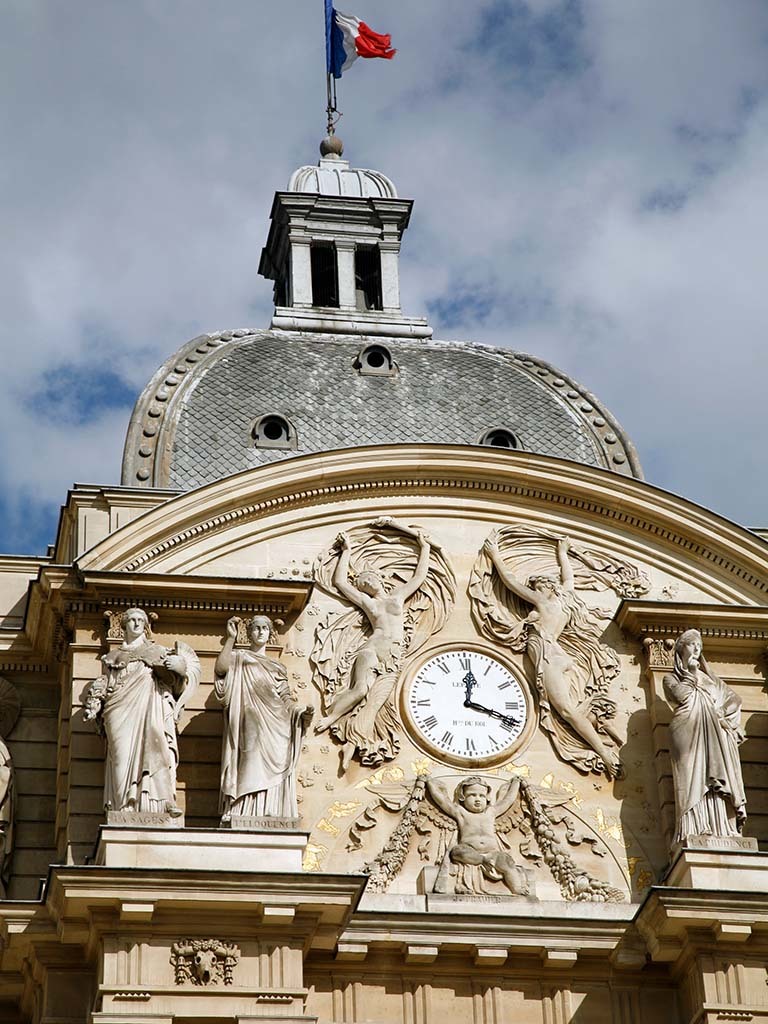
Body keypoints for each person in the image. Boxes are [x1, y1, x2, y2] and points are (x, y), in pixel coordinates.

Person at [485, 535, 622, 778]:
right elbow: (568, 577)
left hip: (548, 654)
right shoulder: (566, 598)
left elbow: (511, 583)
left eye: (537, 587)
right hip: (561, 656)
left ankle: (604, 752)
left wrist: (495, 555)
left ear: (546, 588)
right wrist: (563, 552)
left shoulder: (543, 602)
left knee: (567, 711)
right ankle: (600, 728)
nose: (533, 592)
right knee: (570, 708)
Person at [315, 522, 431, 769]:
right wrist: (346, 551)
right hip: (372, 648)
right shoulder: (370, 605)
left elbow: (419, 576)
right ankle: (333, 718)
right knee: (360, 691)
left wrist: (424, 548)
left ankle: (355, 742)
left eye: (371, 579)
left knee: (376, 701)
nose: (369, 583)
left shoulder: (398, 596)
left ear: (380, 579)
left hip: (393, 655)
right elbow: (341, 583)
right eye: (364, 583)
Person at [84, 607, 198, 816]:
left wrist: (179, 669)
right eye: (132, 620)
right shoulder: (112, 657)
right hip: (118, 711)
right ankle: (122, 807)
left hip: (150, 709)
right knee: (121, 758)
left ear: (146, 626)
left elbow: (176, 686)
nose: (136, 624)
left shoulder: (157, 652)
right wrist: (95, 699)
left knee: (157, 750)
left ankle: (158, 803)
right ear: (124, 625)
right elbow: (106, 683)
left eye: (140, 620)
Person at [215, 615, 313, 821]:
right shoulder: (238, 656)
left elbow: (285, 697)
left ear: (270, 634)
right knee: (249, 757)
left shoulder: (278, 667)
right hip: (249, 715)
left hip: (277, 721)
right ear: (249, 632)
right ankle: (243, 807)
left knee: (275, 763)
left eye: (265, 629)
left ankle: (268, 808)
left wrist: (300, 712)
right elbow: (221, 669)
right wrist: (231, 639)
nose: (260, 632)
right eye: (256, 628)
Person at [663, 629, 746, 844]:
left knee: (716, 777)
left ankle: (721, 828)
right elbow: (680, 695)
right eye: (692, 644)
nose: (697, 649)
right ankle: (693, 827)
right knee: (692, 778)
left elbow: (735, 699)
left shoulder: (711, 680)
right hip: (687, 730)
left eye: (699, 646)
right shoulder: (671, 678)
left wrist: (721, 711)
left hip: (714, 732)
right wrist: (690, 674)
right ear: (682, 649)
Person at [426, 776, 530, 896]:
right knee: (458, 852)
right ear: (462, 797)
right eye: (472, 795)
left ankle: (517, 888)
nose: (477, 799)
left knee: (507, 862)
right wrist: (429, 783)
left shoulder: (491, 812)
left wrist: (516, 783)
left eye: (481, 796)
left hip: (492, 853)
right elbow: (442, 801)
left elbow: (508, 801)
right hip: (470, 850)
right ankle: (483, 860)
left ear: (487, 798)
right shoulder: (461, 812)